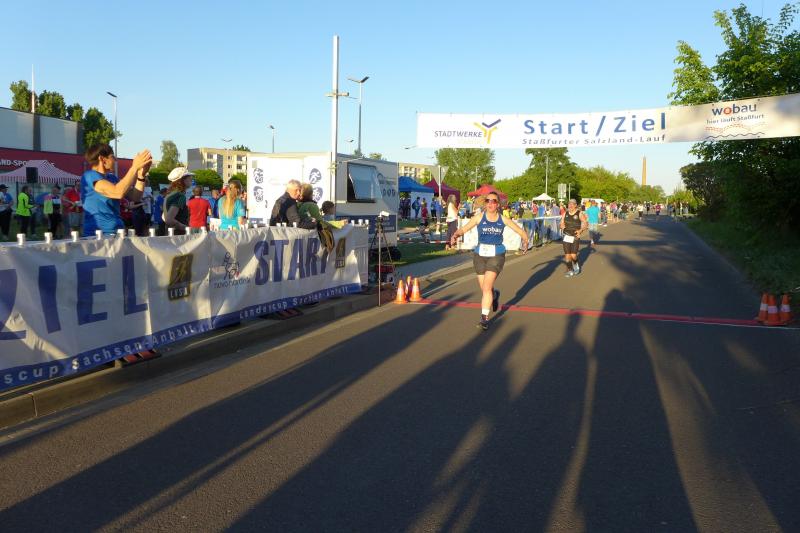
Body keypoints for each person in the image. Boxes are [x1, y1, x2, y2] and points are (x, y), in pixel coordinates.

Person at [450, 192, 529, 330]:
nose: (490, 203)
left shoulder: (503, 219)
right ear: (485, 203)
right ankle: (494, 294)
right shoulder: (479, 217)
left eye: (494, 201)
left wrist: (526, 240)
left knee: (486, 288)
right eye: (488, 201)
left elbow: (520, 230)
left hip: (496, 255)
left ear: (498, 204)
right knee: (485, 289)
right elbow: (464, 229)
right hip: (480, 255)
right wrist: (456, 235)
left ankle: (484, 319)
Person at [81, 143, 152, 237]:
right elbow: (118, 192)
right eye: (112, 156)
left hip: (117, 232)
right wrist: (134, 167)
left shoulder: (112, 178)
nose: (115, 160)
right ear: (102, 159)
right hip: (98, 234)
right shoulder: (90, 175)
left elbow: (135, 197)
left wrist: (141, 176)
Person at [560, 198, 588, 277]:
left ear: (575, 205)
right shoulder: (565, 213)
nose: (570, 206)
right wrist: (562, 226)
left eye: (572, 204)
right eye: (569, 204)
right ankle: (570, 270)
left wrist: (580, 230)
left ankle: (575, 265)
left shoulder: (579, 213)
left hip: (575, 237)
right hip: (566, 236)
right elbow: (561, 223)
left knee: (573, 255)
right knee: (567, 255)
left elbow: (585, 223)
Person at [163, 167, 194, 235]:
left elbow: (165, 216)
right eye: (189, 177)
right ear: (182, 180)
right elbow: (169, 220)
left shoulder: (170, 194)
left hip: (170, 233)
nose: (191, 179)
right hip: (178, 235)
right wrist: (188, 228)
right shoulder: (180, 196)